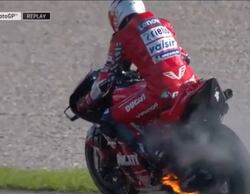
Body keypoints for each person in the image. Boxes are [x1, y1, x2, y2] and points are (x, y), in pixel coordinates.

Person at [76, 0, 198, 158]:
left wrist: (86, 101)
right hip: (190, 85)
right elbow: (184, 57)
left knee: (109, 117)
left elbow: (105, 81)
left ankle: (146, 157)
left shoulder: (122, 37)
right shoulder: (164, 24)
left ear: (116, 15)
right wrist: (147, 69)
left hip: (161, 92)